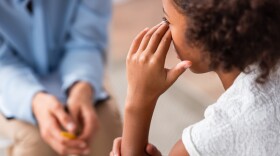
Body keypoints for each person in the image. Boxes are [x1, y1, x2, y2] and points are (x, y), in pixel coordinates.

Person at [110, 0, 280, 155]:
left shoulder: (208, 140)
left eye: (167, 20)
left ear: (204, 26)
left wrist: (139, 100)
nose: (165, 31)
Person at [0, 0, 122, 156]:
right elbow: (3, 64)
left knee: (105, 126)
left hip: (82, 68)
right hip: (8, 83)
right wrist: (34, 100)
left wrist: (81, 87)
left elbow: (88, 41)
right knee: (35, 143)